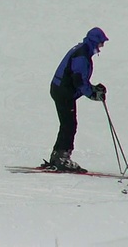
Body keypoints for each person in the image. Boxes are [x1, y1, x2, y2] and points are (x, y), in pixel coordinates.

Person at [48, 27, 109, 172]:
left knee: (67, 124)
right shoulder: (82, 55)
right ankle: (61, 157)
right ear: (95, 41)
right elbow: (78, 81)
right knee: (69, 124)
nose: (102, 46)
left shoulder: (83, 51)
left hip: (62, 90)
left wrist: (93, 89)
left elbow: (80, 80)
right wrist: (92, 94)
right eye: (101, 43)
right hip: (64, 92)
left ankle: (58, 155)